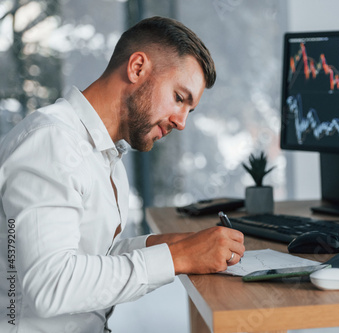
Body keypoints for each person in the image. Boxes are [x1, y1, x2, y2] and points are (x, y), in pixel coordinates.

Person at [0, 16, 245, 332]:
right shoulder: (52, 142)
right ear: (137, 68)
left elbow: (92, 256)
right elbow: (51, 285)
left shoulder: (105, 154)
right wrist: (179, 256)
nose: (182, 122)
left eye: (189, 109)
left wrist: (177, 244)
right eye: (179, 98)